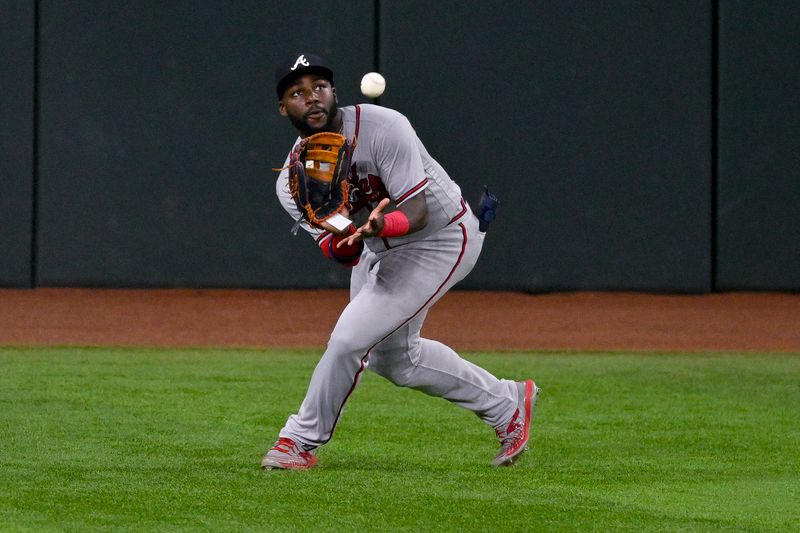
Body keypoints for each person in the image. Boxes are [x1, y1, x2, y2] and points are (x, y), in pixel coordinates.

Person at [262, 52, 539, 470]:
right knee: (394, 360)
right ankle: (506, 403)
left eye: (319, 87)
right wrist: (344, 234)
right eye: (298, 93)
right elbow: (343, 252)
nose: (312, 97)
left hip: (441, 238)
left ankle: (296, 441)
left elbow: (416, 213)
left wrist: (378, 227)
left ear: (334, 92)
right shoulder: (292, 180)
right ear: (284, 108)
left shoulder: (383, 127)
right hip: (377, 250)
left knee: (348, 340)